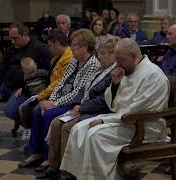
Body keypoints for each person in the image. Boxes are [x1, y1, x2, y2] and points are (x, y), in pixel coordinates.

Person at [60, 38, 170, 180]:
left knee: (95, 135)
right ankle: (79, 176)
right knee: (78, 129)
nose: (117, 64)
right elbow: (115, 103)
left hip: (145, 126)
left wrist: (104, 121)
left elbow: (139, 110)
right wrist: (115, 85)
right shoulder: (128, 70)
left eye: (120, 59)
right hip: (125, 121)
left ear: (134, 57)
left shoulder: (153, 75)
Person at [18, 29, 100, 174]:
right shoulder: (75, 61)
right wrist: (50, 100)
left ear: (85, 47)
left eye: (74, 44)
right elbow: (61, 83)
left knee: (49, 114)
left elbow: (78, 93)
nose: (71, 47)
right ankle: (36, 152)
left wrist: (54, 104)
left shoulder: (93, 64)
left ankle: (50, 157)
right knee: (38, 111)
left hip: (74, 103)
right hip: (61, 99)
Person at [40, 38, 118, 180]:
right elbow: (83, 89)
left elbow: (103, 100)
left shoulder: (114, 73)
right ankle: (53, 166)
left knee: (67, 128)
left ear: (113, 55)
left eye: (103, 53)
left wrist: (82, 108)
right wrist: (78, 104)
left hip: (98, 112)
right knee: (56, 123)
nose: (99, 56)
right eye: (99, 53)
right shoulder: (101, 69)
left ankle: (67, 172)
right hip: (84, 107)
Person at [0, 22, 52, 144]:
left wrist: (25, 86)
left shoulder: (40, 49)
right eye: (11, 38)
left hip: (26, 89)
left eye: (15, 38)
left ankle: (32, 128)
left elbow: (48, 73)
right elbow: (1, 69)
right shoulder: (11, 49)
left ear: (25, 35)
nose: (12, 42)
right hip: (8, 85)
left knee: (10, 110)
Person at [18, 29, 73, 129]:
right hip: (52, 92)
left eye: (50, 46)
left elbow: (59, 82)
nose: (49, 49)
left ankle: (39, 141)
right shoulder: (57, 57)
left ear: (56, 43)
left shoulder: (68, 59)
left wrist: (40, 96)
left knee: (35, 110)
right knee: (24, 108)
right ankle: (34, 140)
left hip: (60, 95)